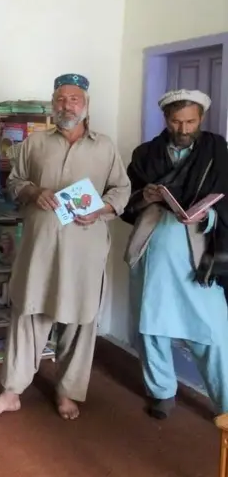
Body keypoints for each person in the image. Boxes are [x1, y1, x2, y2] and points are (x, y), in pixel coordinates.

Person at [0, 73, 131, 421]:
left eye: (74, 99)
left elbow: (121, 190)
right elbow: (14, 183)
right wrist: (34, 191)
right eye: (61, 99)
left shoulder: (105, 146)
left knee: (80, 320)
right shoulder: (34, 144)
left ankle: (67, 391)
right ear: (53, 104)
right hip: (40, 248)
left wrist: (101, 209)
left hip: (85, 251)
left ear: (86, 104)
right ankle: (11, 391)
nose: (67, 105)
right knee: (28, 312)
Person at [122, 89, 228, 419]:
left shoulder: (218, 151)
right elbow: (125, 201)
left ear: (201, 119)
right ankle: (161, 392)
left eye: (190, 122)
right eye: (176, 121)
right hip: (153, 250)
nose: (183, 129)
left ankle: (226, 404)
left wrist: (210, 215)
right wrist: (146, 196)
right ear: (166, 119)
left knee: (213, 333)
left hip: (201, 255)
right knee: (151, 326)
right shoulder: (146, 154)